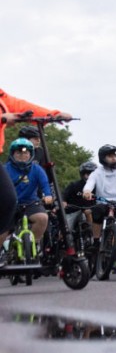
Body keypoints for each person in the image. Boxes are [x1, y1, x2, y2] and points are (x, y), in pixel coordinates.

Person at [0, 89, 72, 264]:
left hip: (30, 202)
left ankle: (31, 249)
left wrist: (53, 114)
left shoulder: (2, 97)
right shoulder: (9, 167)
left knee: (8, 200)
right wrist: (2, 118)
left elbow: (22, 107)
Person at [83, 145, 116, 269]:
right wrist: (87, 191)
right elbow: (90, 183)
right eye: (110, 156)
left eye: (115, 156)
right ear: (103, 158)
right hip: (103, 202)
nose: (114, 158)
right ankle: (96, 241)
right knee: (96, 211)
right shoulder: (97, 172)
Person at [3, 139, 53, 256]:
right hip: (10, 205)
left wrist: (48, 195)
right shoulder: (5, 169)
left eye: (25, 153)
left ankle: (33, 244)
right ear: (12, 154)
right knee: (2, 232)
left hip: (31, 203)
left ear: (31, 154)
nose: (22, 155)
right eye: (18, 153)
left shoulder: (37, 169)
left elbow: (45, 185)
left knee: (42, 218)